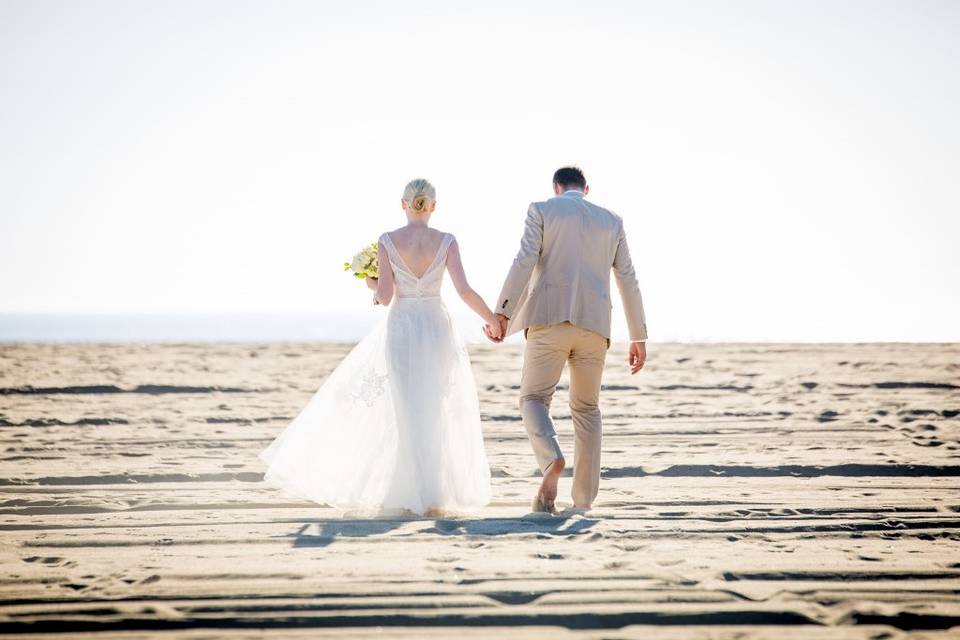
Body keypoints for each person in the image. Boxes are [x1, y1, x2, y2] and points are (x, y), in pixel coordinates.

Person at [259, 178, 496, 517]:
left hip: (402, 327)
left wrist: (370, 282)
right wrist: (492, 319)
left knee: (406, 408)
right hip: (435, 325)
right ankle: (433, 498)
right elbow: (464, 291)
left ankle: (410, 491)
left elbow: (384, 297)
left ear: (403, 204)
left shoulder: (387, 241)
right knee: (434, 407)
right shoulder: (447, 241)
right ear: (433, 206)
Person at [486, 166, 648, 514]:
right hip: (595, 327)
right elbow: (627, 278)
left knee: (533, 398)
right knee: (587, 410)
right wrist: (639, 336)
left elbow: (525, 259)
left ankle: (551, 460)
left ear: (556, 187)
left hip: (549, 320)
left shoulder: (542, 209)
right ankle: (583, 500)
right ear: (585, 189)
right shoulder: (612, 221)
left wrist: (502, 312)